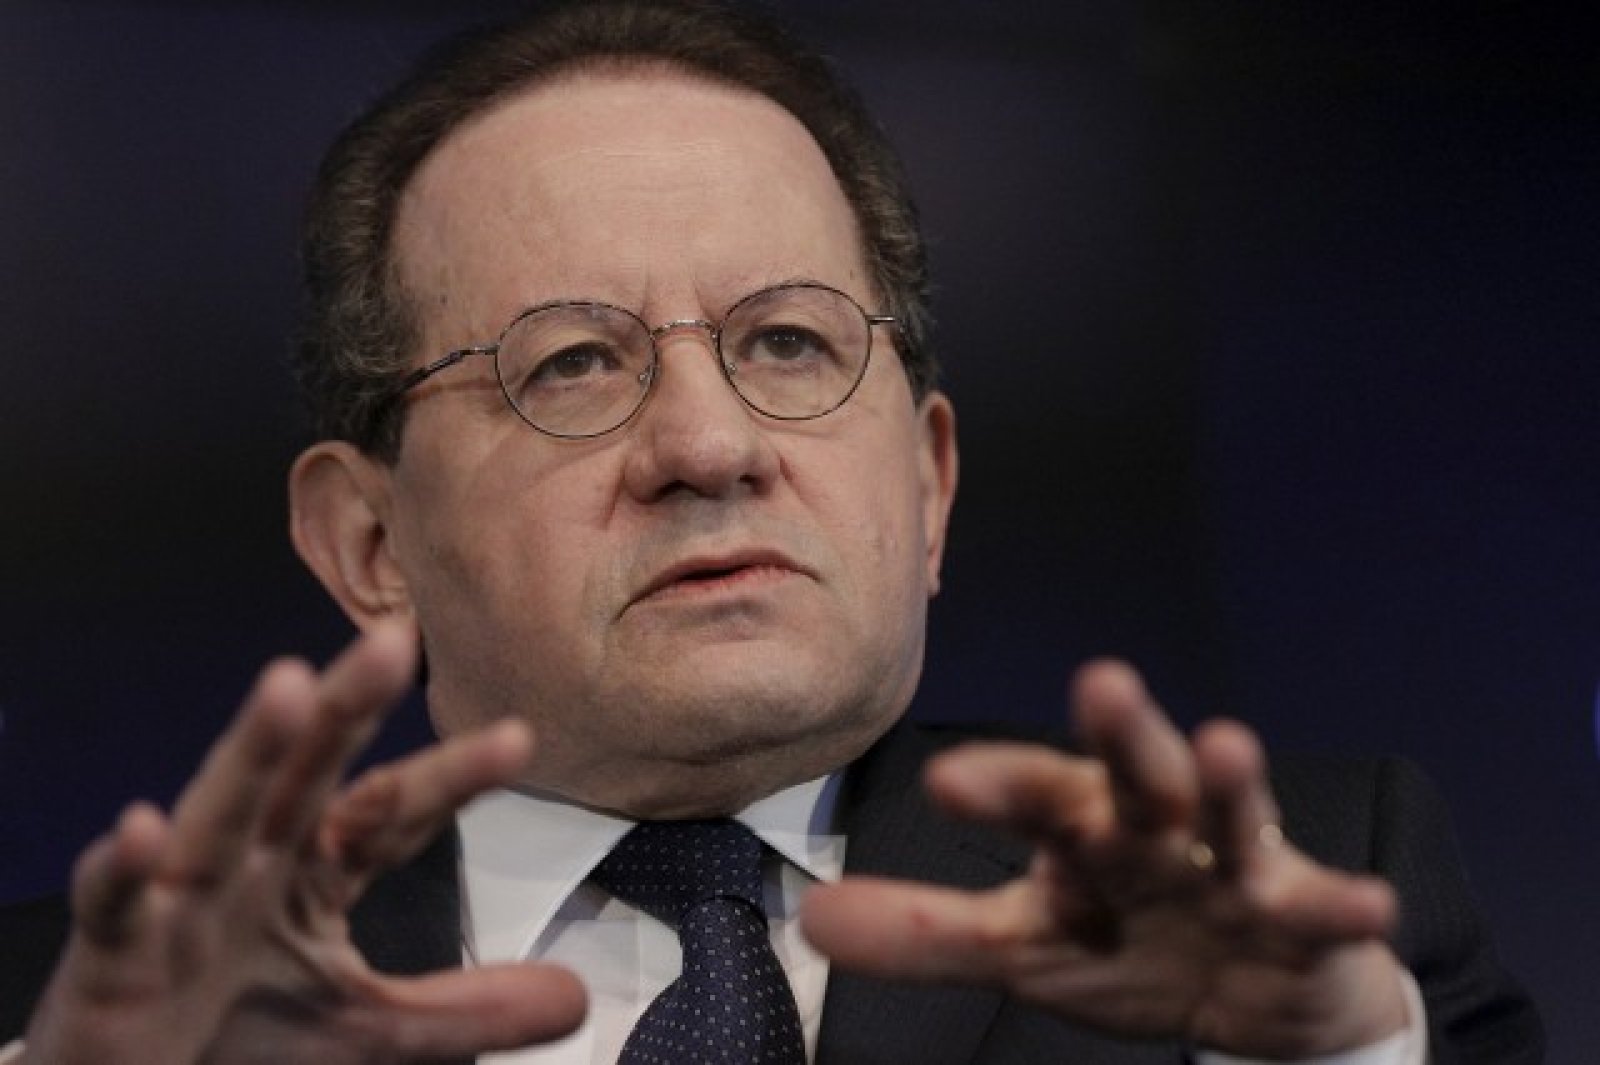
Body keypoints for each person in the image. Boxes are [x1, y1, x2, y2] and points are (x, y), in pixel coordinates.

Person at [0, 1, 1540, 1062]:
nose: (710, 446)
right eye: (573, 363)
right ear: (369, 542)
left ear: (929, 484)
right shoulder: (93, 1016)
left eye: (790, 342)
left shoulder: (1318, 892)